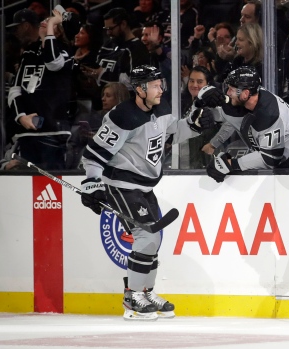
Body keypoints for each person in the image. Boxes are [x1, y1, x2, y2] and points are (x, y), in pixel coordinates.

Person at [80, 65, 214, 321]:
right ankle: (132, 298)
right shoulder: (122, 117)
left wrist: (195, 125)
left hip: (144, 186)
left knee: (153, 239)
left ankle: (145, 291)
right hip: (122, 184)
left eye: (160, 83)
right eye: (154, 85)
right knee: (146, 236)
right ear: (140, 89)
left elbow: (172, 134)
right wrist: (92, 184)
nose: (160, 89)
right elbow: (94, 154)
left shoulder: (161, 108)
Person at [200, 66, 289, 181]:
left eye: (231, 89)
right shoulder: (250, 98)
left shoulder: (269, 115)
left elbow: (270, 159)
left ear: (245, 93)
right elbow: (233, 119)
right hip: (286, 153)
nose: (228, 92)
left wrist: (232, 164)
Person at [7, 9, 73, 170]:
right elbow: (15, 89)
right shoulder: (29, 53)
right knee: (27, 186)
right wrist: (21, 116)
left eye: (51, 24)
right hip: (27, 132)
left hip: (53, 132)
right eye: (45, 22)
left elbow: (53, 62)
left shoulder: (66, 52)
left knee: (52, 187)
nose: (45, 24)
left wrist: (46, 33)